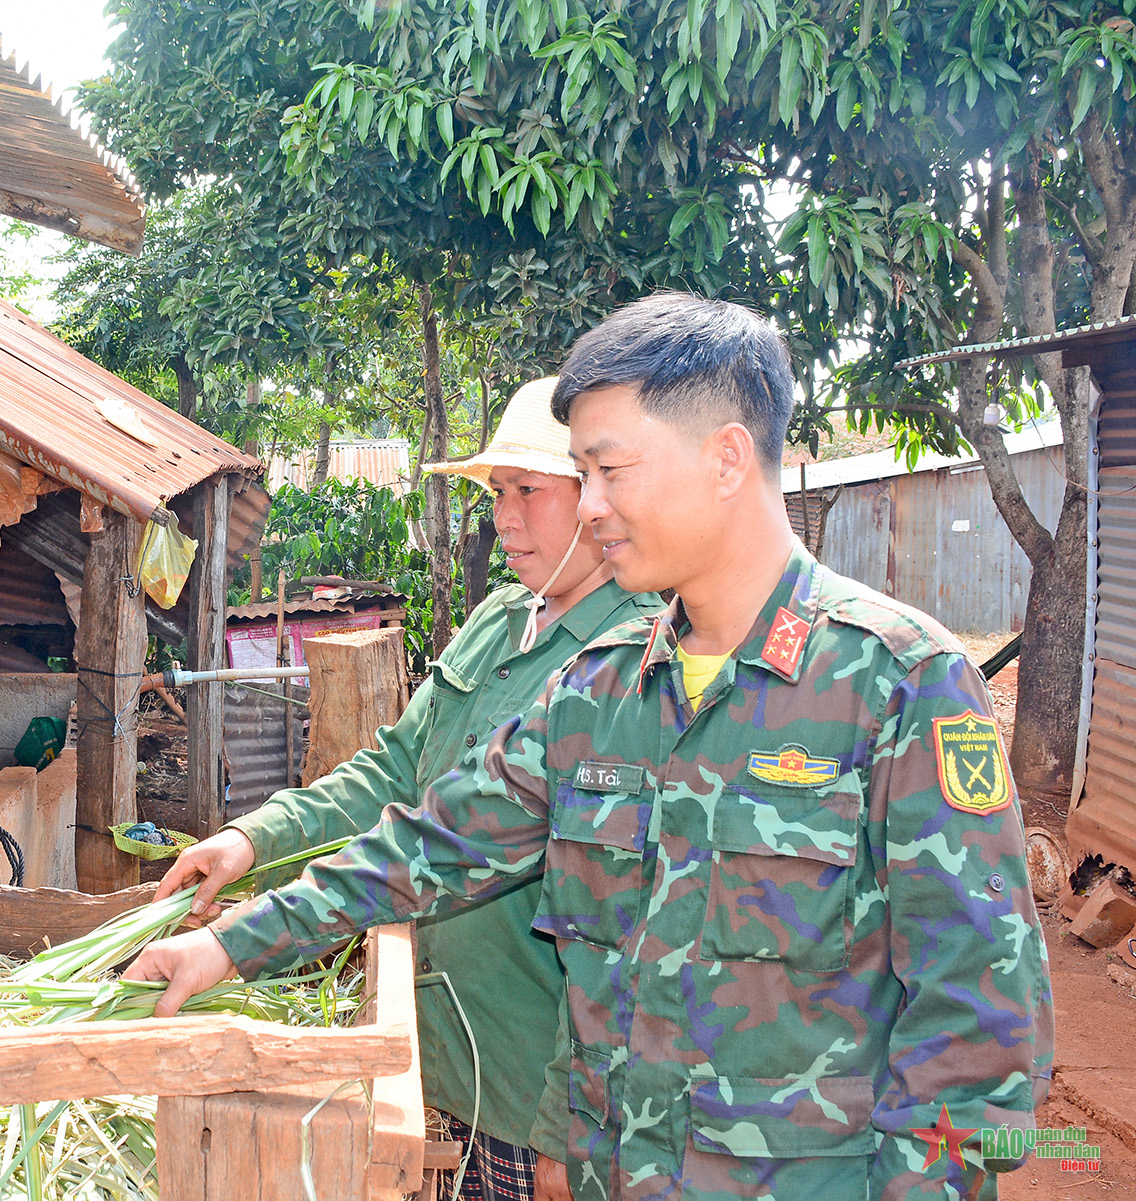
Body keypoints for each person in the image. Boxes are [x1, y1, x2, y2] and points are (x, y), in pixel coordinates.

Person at [128, 293, 1054, 1201]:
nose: (594, 505)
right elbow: (431, 843)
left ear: (727, 458)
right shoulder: (604, 687)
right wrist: (235, 942)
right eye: (583, 473)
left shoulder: (898, 684)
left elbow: (984, 1033)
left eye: (611, 471)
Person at [154, 377, 661, 1201]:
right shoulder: (502, 617)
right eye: (498, 493)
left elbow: (618, 929)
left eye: (529, 491)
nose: (504, 516)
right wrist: (255, 837)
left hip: (528, 1087)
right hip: (438, 1054)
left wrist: (570, 1123)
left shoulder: (628, 662)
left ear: (596, 496)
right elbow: (393, 770)